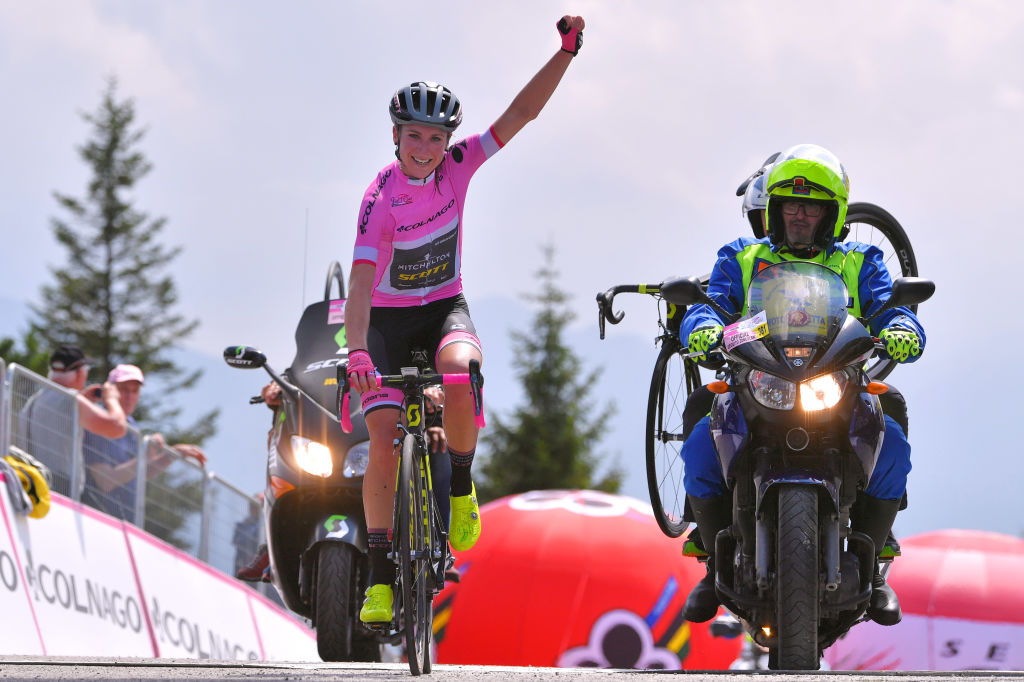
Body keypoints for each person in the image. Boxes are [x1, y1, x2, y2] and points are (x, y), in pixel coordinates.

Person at [345, 15, 587, 624]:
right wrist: (357, 354)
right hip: (386, 322)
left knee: (460, 372)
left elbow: (521, 114)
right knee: (381, 444)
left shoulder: (458, 166)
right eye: (413, 137)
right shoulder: (379, 199)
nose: (424, 149)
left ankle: (459, 485)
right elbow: (359, 284)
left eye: (434, 138)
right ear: (395, 137)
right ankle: (378, 577)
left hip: (444, 309)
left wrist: (565, 54)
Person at [678, 144, 925, 627]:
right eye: (790, 204)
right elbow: (709, 304)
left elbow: (891, 307)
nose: (799, 214)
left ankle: (874, 569)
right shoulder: (742, 256)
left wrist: (903, 330)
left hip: (838, 385)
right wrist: (702, 326)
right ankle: (711, 565)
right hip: (756, 381)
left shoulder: (862, 259)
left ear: (831, 213)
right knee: (699, 448)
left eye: (811, 205)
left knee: (892, 441)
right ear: (772, 209)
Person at [82, 364, 207, 521]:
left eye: (135, 391)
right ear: (110, 390)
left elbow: (137, 473)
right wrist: (144, 456)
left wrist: (172, 454)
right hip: (97, 518)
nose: (130, 396)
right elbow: (105, 481)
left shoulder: (131, 425)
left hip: (122, 521)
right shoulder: (102, 419)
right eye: (124, 389)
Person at [17, 344, 127, 496]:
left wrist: (82, 400)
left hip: (30, 484)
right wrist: (112, 399)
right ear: (80, 373)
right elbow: (116, 427)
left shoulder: (34, 400)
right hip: (60, 488)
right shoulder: (69, 400)